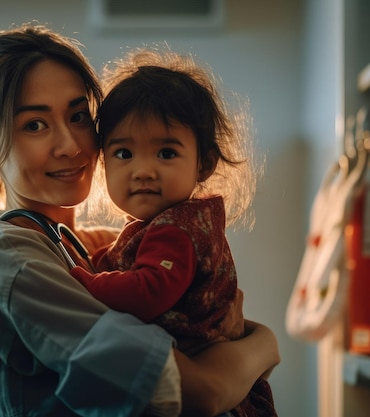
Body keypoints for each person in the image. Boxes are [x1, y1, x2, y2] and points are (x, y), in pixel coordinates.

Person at [0, 23, 280, 417]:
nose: (70, 145)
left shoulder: (101, 246)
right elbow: (202, 392)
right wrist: (264, 343)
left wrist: (246, 348)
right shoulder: (2, 253)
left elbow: (214, 324)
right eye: (35, 125)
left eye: (79, 116)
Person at [69, 49, 277, 417]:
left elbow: (149, 291)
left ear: (205, 163)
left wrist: (82, 283)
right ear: (103, 161)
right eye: (123, 153)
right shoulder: (167, 225)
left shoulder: (175, 231)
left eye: (166, 153)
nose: (143, 170)